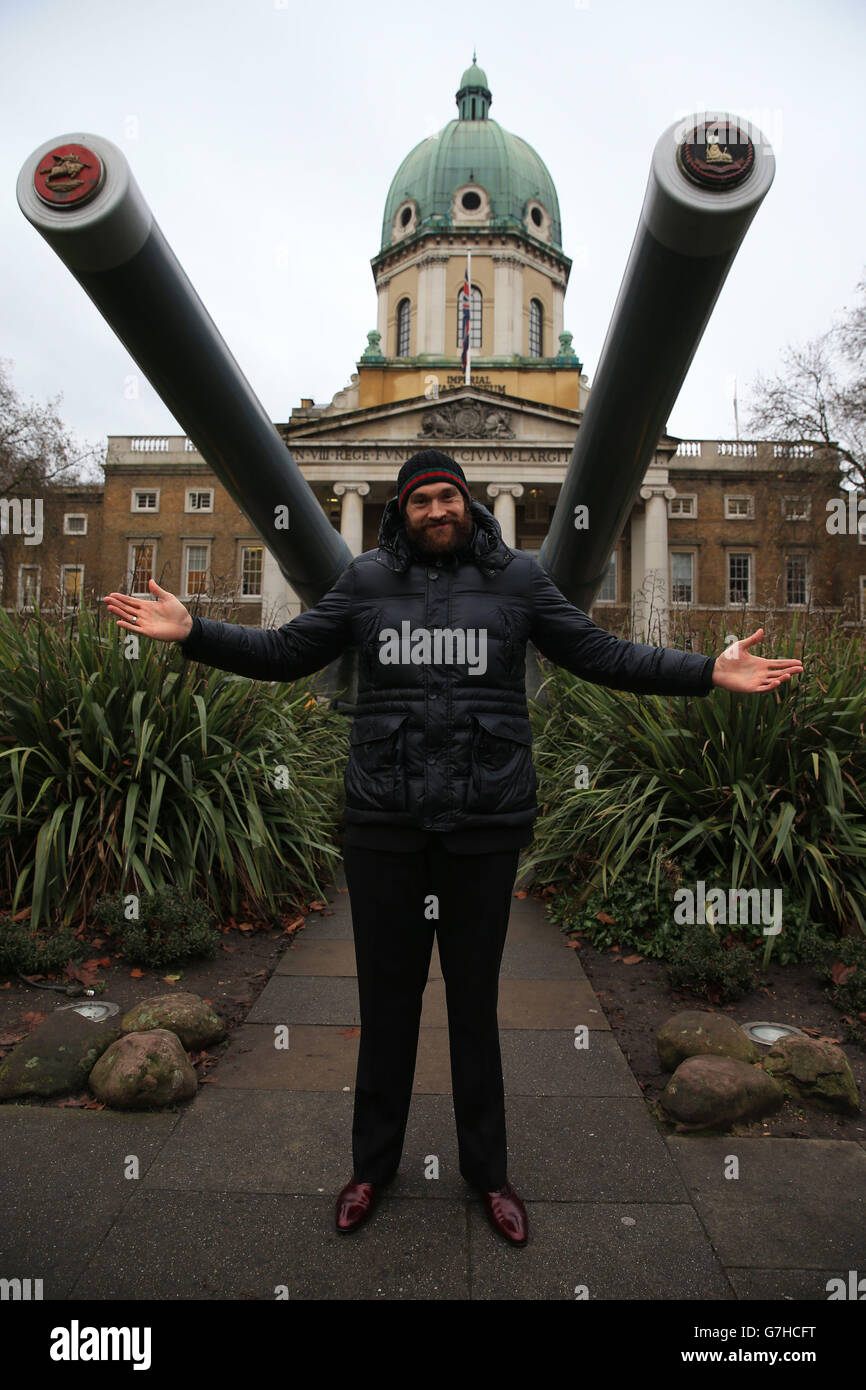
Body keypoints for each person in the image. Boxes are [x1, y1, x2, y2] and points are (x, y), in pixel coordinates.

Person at [102, 448, 804, 1247]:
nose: (437, 510)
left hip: (482, 826)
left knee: (474, 1009)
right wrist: (195, 632)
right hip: (385, 828)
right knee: (387, 1007)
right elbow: (290, 651)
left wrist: (706, 670)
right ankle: (372, 1169)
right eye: (421, 500)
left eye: (448, 496)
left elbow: (600, 654)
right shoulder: (365, 581)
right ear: (401, 512)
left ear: (468, 503)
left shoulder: (519, 580)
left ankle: (489, 1174)